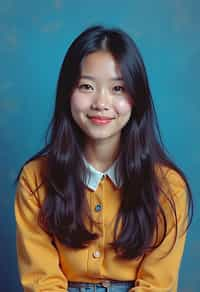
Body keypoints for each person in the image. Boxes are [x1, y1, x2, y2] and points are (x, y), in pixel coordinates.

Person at [15, 25, 193, 292]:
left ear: (137, 98)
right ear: (67, 93)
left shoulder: (169, 187)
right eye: (86, 86)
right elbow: (41, 282)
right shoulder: (35, 178)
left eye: (118, 88)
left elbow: (157, 285)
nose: (101, 102)